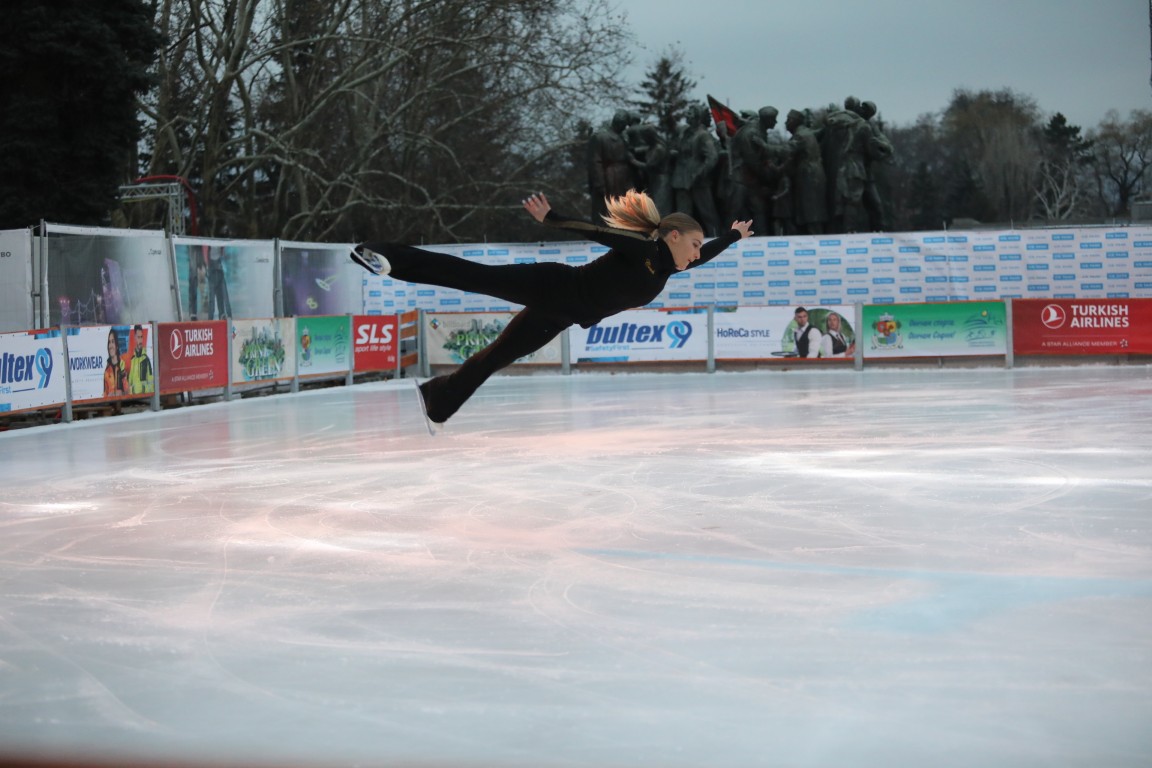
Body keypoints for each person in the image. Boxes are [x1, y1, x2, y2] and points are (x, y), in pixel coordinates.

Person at [351, 190, 753, 426]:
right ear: (675, 236)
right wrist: (552, 218)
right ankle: (386, 256)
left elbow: (711, 251)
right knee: (473, 276)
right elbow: (598, 232)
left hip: (561, 314)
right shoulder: (644, 251)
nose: (697, 254)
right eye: (695, 245)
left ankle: (439, 400)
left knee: (497, 356)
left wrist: (733, 236)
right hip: (554, 284)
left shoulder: (669, 265)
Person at [128, 324, 154, 394]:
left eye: (141, 337)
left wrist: (143, 390)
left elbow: (151, 383)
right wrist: (131, 391)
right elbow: (129, 382)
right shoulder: (132, 360)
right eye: (138, 337)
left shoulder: (146, 359)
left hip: (144, 397)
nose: (140, 340)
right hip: (133, 399)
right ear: (135, 338)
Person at [102, 328, 128, 397]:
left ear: (116, 345)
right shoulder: (106, 372)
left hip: (124, 404)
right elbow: (105, 395)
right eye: (109, 342)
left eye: (113, 341)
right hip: (112, 405)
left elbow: (129, 391)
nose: (111, 346)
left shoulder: (124, 365)